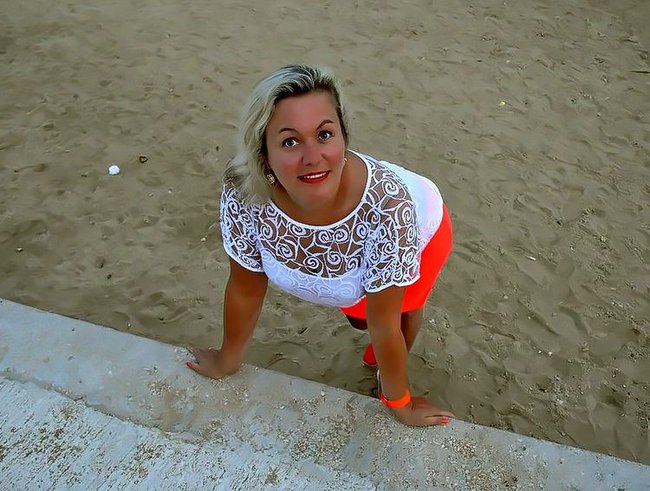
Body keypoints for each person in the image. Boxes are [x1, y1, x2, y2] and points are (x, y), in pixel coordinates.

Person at [187, 64, 455, 427]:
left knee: (396, 313)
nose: (313, 158)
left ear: (344, 138)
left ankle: (382, 371)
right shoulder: (244, 190)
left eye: (325, 135)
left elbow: (384, 321)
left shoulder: (389, 208)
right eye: (290, 141)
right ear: (262, 153)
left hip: (423, 229)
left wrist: (401, 403)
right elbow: (246, 286)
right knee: (361, 319)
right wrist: (226, 361)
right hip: (363, 247)